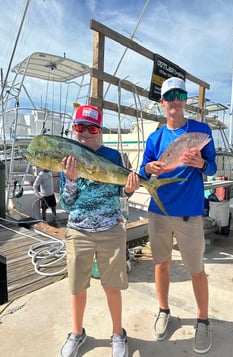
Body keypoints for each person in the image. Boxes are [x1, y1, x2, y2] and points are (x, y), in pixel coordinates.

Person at [138, 77, 217, 354]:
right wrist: (150, 168)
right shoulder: (155, 137)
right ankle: (163, 311)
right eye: (169, 95)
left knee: (196, 270)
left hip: (190, 214)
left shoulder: (201, 130)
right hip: (158, 211)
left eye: (179, 94)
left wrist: (202, 163)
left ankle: (203, 319)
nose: (174, 100)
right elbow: (142, 172)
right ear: (162, 102)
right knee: (161, 265)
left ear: (185, 100)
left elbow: (213, 169)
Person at [59, 104, 139, 357]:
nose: (85, 133)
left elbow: (120, 192)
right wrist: (70, 180)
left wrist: (129, 188)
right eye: (79, 127)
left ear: (100, 130)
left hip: (110, 230)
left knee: (112, 286)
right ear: (74, 129)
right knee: (77, 286)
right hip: (78, 232)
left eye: (91, 128)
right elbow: (65, 203)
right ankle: (77, 332)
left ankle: (118, 334)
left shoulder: (113, 157)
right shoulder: (67, 157)